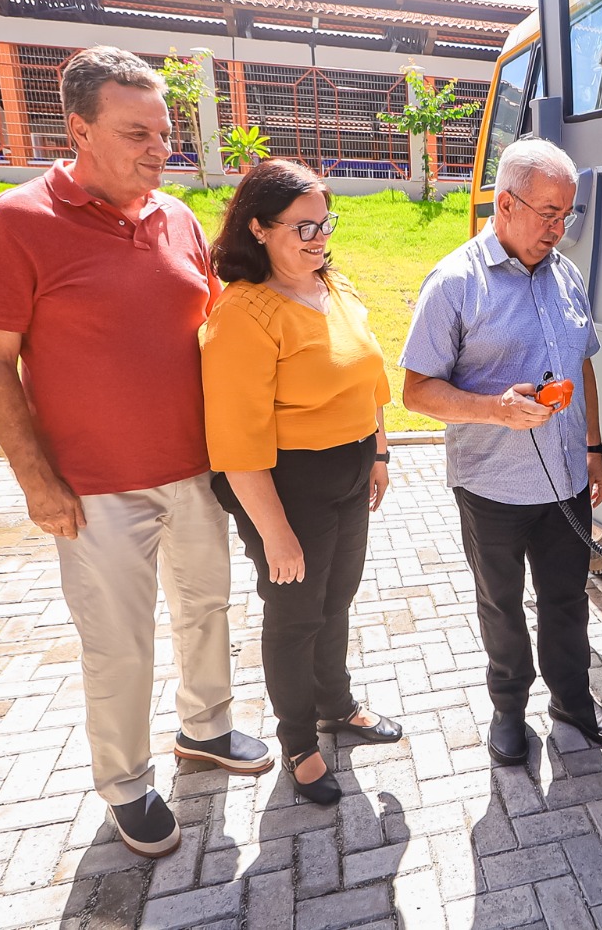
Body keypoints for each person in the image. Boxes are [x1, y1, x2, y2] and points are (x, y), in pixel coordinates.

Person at [0, 46, 271, 859]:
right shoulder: (17, 220)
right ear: (80, 131)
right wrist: (36, 481)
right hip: (95, 489)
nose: (160, 148)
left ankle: (205, 728)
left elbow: (216, 333)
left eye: (164, 132)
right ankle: (127, 785)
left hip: (197, 473)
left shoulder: (178, 218)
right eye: (138, 133)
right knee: (120, 645)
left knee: (206, 611)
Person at [400, 136, 602, 765]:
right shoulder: (454, 283)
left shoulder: (566, 275)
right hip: (492, 487)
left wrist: (594, 448)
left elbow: (582, 367)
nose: (559, 229)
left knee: (568, 600)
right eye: (547, 213)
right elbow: (416, 392)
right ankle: (508, 709)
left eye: (567, 215)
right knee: (501, 606)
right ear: (505, 205)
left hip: (566, 481)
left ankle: (572, 701)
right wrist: (494, 410)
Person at [202, 159, 401, 806]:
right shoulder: (243, 315)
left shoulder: (332, 286)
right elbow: (236, 443)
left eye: (325, 223)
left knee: (336, 600)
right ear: (258, 228)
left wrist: (378, 453)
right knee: (295, 616)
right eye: (303, 227)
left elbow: (370, 378)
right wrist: (276, 533)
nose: (319, 238)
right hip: (288, 486)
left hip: (350, 469)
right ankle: (298, 743)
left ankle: (335, 705)